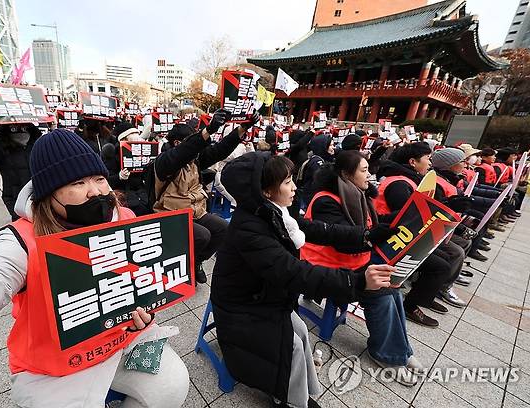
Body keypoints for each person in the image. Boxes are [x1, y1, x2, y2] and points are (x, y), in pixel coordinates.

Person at [0, 129, 189, 408]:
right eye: (78, 182)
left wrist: (144, 308)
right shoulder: (21, 240)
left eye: (99, 178)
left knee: (171, 387)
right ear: (49, 194)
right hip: (55, 364)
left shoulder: (125, 218)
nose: (95, 191)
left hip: (124, 341)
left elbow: (139, 282)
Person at [211, 152, 395, 408]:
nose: (295, 187)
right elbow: (292, 272)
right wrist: (356, 281)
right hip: (242, 305)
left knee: (300, 334)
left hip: (265, 296)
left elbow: (320, 229)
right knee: (292, 346)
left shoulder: (276, 213)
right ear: (265, 191)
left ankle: (299, 392)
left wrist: (366, 235)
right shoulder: (249, 227)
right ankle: (291, 400)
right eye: (287, 182)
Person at [303, 150, 422, 385]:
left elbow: (376, 226)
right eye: (364, 170)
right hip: (325, 266)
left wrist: (414, 214)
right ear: (347, 174)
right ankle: (385, 354)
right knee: (381, 294)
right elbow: (342, 240)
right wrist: (370, 236)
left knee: (393, 285)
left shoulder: (359, 196)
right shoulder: (326, 200)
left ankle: (401, 351)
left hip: (355, 262)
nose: (370, 175)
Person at [152, 109, 259, 284]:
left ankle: (195, 262)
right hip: (168, 214)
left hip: (194, 211)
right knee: (202, 236)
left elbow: (219, 150)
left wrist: (242, 128)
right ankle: (180, 264)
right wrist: (209, 130)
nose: (200, 145)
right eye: (193, 140)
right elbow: (184, 151)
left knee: (223, 229)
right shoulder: (165, 162)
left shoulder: (195, 160)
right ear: (178, 142)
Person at [375, 143, 463, 326]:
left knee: (447, 256)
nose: (430, 163)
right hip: (389, 242)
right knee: (440, 266)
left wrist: (449, 204)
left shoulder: (411, 180)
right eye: (427, 158)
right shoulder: (399, 184)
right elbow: (406, 219)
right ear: (412, 162)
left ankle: (425, 295)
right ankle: (411, 305)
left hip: (402, 236)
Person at [0, 106, 42, 220]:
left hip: (43, 197)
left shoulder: (38, 139)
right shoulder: (0, 141)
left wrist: (53, 127)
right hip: (16, 199)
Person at [101, 121, 151, 216]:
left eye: (137, 133)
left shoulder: (142, 152)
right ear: (123, 138)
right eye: (132, 134)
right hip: (125, 202)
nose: (137, 136)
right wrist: (119, 177)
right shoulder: (112, 153)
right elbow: (106, 180)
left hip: (142, 198)